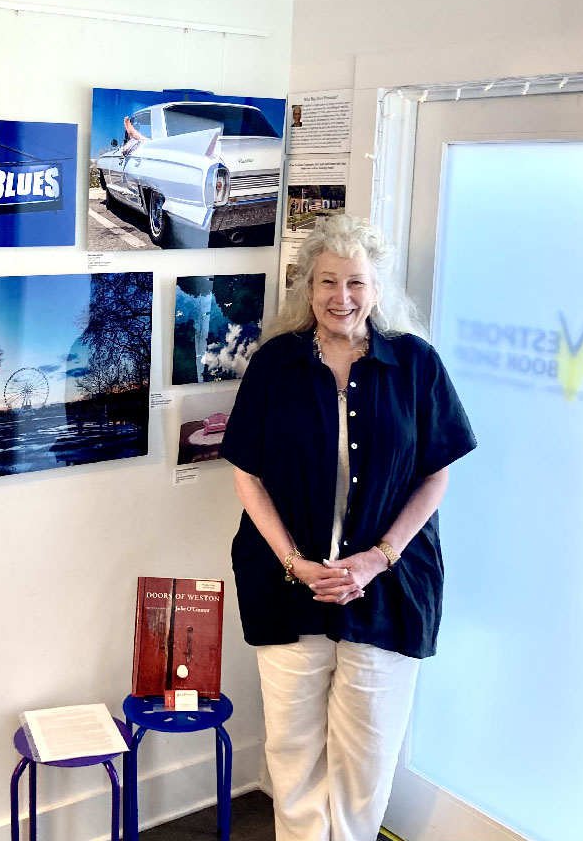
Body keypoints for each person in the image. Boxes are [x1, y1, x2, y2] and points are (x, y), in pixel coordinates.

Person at [221, 214, 476, 841]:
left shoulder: (416, 365)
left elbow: (435, 476)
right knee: (293, 753)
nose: (342, 298)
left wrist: (376, 559)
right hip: (288, 587)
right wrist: (292, 562)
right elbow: (247, 476)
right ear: (308, 288)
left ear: (377, 288)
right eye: (328, 281)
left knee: (365, 762)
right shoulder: (274, 364)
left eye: (356, 282)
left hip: (387, 591)